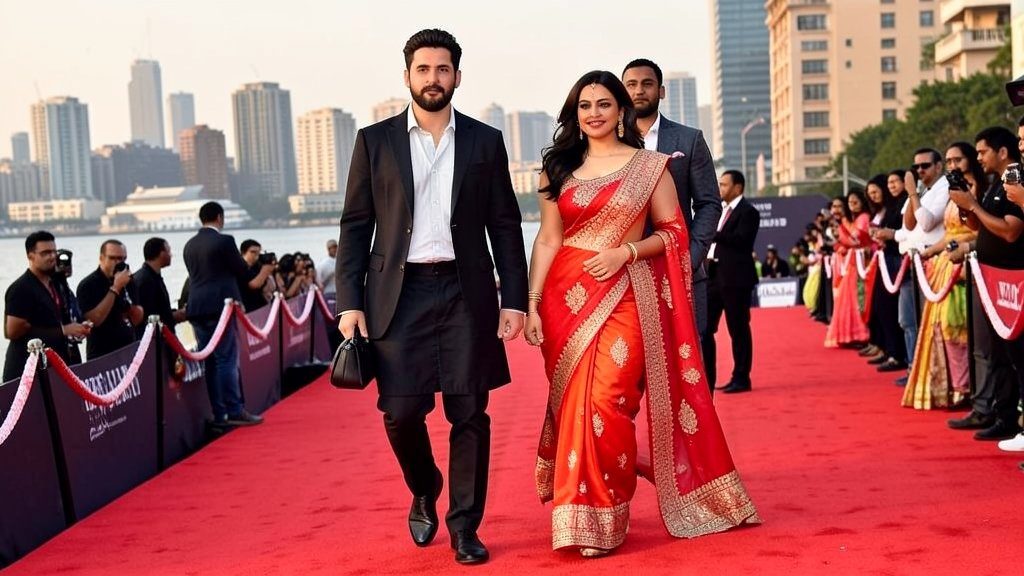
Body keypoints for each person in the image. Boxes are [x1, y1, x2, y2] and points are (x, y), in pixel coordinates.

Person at [523, 70, 758, 558]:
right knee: (576, 405)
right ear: (574, 112)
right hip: (565, 298)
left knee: (608, 399)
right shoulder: (557, 170)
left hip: (626, 293)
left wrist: (625, 253)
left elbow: (673, 233)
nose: (594, 113)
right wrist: (531, 303)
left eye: (603, 104)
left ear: (621, 109)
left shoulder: (651, 167)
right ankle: (582, 515)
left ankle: (608, 508)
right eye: (584, 105)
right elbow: (547, 238)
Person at [335, 29, 528, 566]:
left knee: (469, 411)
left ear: (457, 77)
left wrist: (514, 299)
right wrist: (349, 300)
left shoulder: (486, 141)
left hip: (467, 292)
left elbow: (505, 225)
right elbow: (355, 225)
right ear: (407, 77)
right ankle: (425, 485)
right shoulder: (375, 142)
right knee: (400, 411)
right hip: (398, 293)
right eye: (423, 70)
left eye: (443, 70)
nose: (433, 79)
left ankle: (465, 525)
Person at [621, 59, 722, 337]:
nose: (639, 91)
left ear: (661, 91)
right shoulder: (608, 142)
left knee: (694, 357)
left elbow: (709, 204)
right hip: (625, 272)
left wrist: (692, 255)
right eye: (631, 85)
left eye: (647, 84)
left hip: (681, 267)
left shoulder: (689, 140)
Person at [947, 126, 1024, 442]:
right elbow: (982, 227)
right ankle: (1004, 417)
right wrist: (968, 206)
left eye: (982, 152)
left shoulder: (1015, 180)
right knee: (1001, 355)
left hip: (1013, 283)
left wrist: (974, 206)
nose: (977, 158)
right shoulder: (997, 185)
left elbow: (1010, 232)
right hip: (994, 281)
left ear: (1001, 152)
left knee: (1017, 356)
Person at [901, 143, 980, 410]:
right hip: (945, 264)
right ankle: (957, 387)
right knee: (944, 330)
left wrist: (912, 191)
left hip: (968, 267)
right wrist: (929, 251)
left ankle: (969, 390)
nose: (953, 166)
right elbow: (942, 232)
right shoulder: (951, 192)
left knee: (958, 330)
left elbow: (971, 230)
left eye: (958, 160)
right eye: (949, 161)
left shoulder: (973, 189)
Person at [183, 201, 265, 428]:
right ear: (219, 217)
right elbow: (245, 275)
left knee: (210, 361)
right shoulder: (225, 241)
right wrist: (266, 269)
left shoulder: (189, 244)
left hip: (196, 308)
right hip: (221, 307)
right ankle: (235, 409)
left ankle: (220, 414)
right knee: (227, 359)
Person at [3, 231, 90, 381]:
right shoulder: (21, 288)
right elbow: (12, 331)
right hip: (27, 372)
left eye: (53, 252)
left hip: (55, 367)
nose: (51, 257)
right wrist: (63, 330)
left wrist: (78, 327)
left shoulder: (55, 284)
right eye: (45, 253)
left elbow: (57, 318)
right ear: (31, 256)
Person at [703, 170, 760, 394]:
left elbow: (743, 241)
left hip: (736, 278)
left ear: (737, 188)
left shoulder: (748, 212)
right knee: (705, 328)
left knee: (738, 329)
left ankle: (741, 377)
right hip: (714, 275)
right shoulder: (719, 211)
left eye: (724, 185)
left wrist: (714, 233)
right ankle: (707, 377)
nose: (720, 188)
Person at [76, 240, 143, 360]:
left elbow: (137, 319)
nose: (118, 263)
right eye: (113, 258)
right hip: (102, 355)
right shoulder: (88, 285)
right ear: (101, 258)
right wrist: (115, 289)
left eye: (122, 259)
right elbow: (94, 320)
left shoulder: (128, 282)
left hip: (128, 350)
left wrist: (126, 304)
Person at [824, 191, 871, 348]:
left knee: (854, 299)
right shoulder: (853, 220)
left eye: (854, 202)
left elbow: (854, 241)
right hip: (850, 263)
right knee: (846, 300)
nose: (851, 206)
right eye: (850, 203)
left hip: (859, 263)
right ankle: (848, 335)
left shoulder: (863, 218)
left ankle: (858, 335)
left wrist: (842, 225)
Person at [132, 237, 187, 338]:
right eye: (168, 251)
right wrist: (174, 317)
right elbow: (148, 317)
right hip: (154, 341)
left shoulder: (151, 277)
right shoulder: (145, 280)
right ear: (161, 254)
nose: (171, 255)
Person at [52, 248, 85, 365]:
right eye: (59, 262)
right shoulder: (51, 288)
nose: (65, 266)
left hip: (72, 350)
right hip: (57, 352)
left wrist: (82, 327)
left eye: (68, 262)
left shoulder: (66, 290)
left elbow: (74, 315)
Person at [238, 239, 277, 312]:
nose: (256, 255)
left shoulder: (258, 267)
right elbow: (255, 284)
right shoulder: (239, 267)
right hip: (247, 308)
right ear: (243, 252)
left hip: (260, 307)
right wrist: (265, 270)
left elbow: (271, 288)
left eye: (258, 253)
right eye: (253, 252)